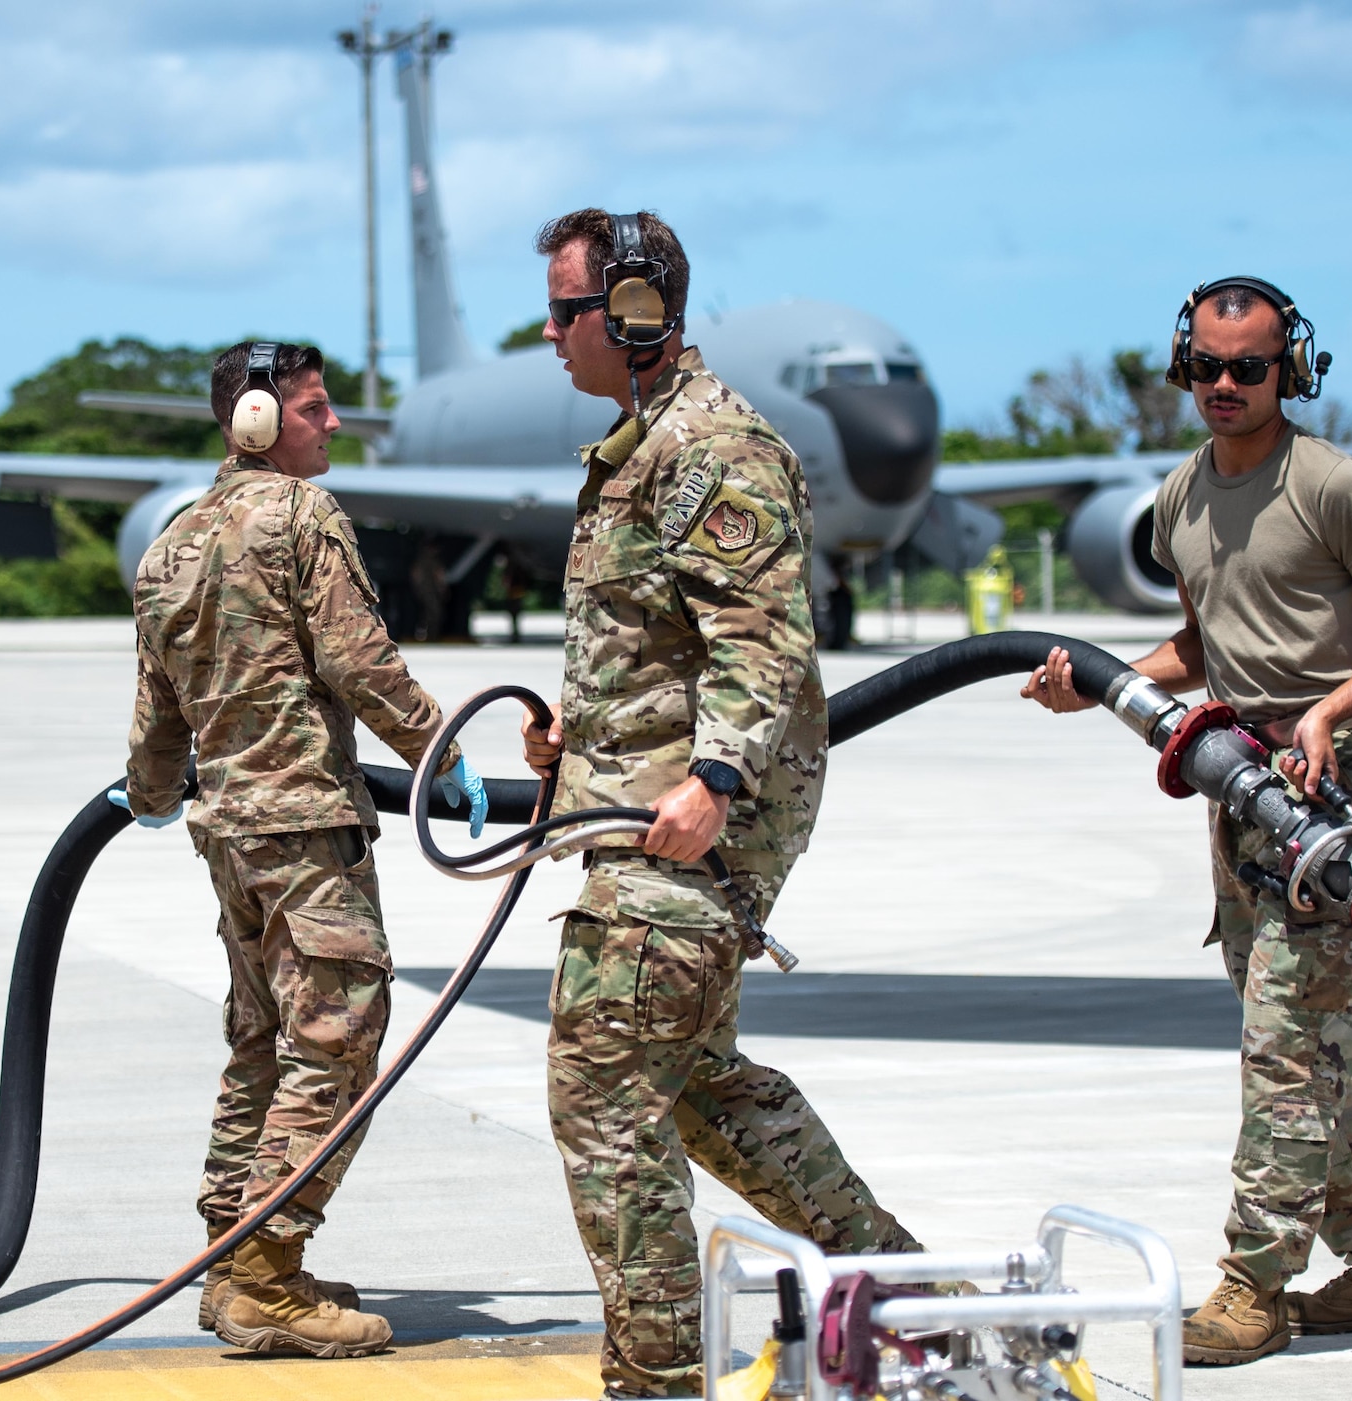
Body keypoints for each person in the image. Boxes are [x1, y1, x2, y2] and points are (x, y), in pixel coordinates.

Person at [520, 210, 922, 1398]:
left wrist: (714, 780)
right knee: (700, 1092)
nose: (549, 334)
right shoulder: (642, 446)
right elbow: (656, 650)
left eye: (566, 311)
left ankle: (655, 1380)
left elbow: (760, 643)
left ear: (636, 316)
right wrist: (571, 744)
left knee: (599, 1092)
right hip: (633, 816)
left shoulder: (712, 451)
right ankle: (902, 1294)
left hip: (689, 836)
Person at [1022, 278, 1352, 1365]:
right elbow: (1206, 646)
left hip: (1325, 784)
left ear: (1287, 370)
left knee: (1283, 1050)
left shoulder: (1333, 488)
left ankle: (1253, 1285)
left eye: (1247, 368)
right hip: (1234, 776)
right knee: (1311, 1046)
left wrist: (1331, 708)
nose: (1223, 386)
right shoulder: (1178, 497)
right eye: (1206, 367)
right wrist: (1099, 682)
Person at [116, 340, 487, 1359]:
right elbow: (357, 657)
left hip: (228, 836)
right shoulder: (300, 515)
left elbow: (156, 718)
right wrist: (440, 751)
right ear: (255, 422)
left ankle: (224, 1261)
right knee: (338, 1040)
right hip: (302, 832)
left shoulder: (171, 543)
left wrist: (146, 796)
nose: (334, 425)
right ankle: (265, 1278)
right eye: (316, 409)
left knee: (260, 1048)